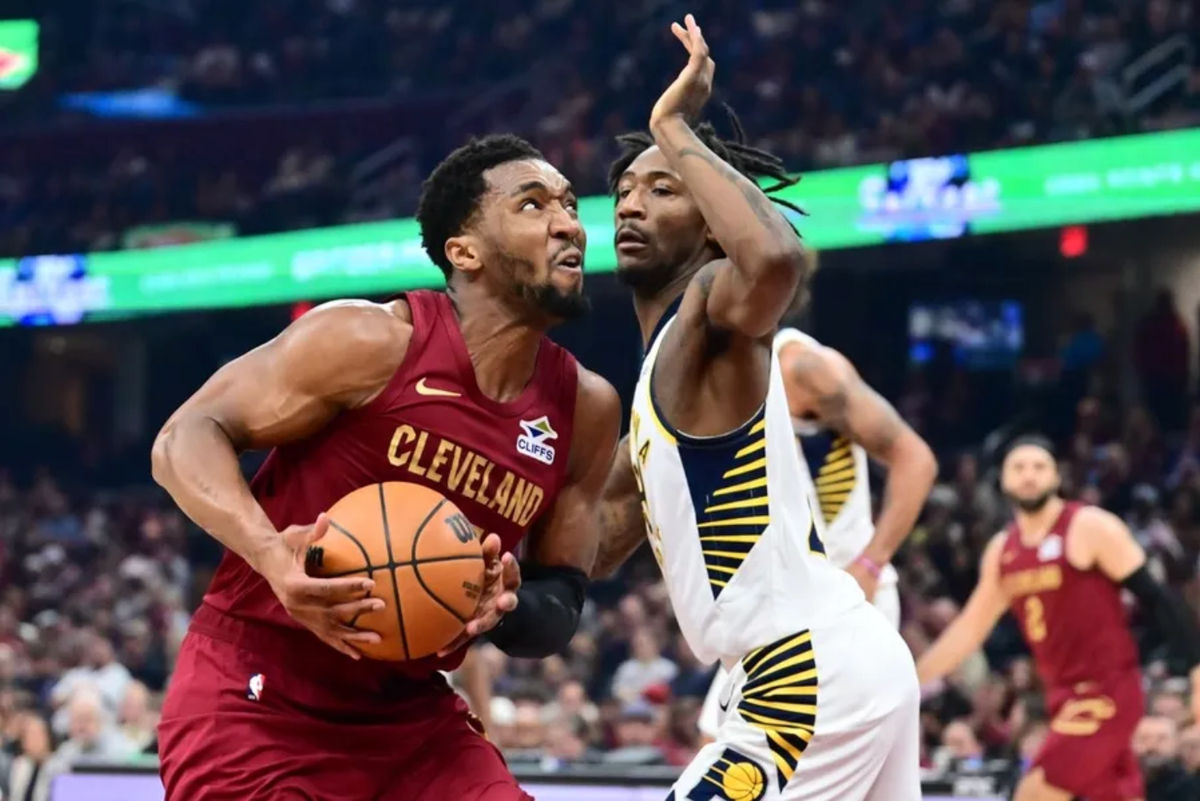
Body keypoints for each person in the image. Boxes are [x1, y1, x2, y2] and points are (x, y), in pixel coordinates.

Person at [150, 134, 621, 801]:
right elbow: (183, 438)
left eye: (571, 205)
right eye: (533, 204)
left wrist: (504, 608)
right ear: (464, 251)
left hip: (410, 719)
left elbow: (561, 600)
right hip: (257, 693)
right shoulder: (369, 341)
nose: (568, 222)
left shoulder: (587, 409)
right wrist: (272, 557)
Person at [592, 15, 920, 800]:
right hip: (824, 660)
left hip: (801, 674)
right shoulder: (652, 380)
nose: (632, 203)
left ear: (711, 222)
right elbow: (598, 548)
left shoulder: (711, 311)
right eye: (626, 189)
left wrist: (672, 127)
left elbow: (774, 257)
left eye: (663, 188)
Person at [916, 435, 1200, 801]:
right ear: (1003, 479)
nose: (1029, 476)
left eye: (1039, 467)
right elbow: (969, 630)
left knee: (1033, 795)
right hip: (1062, 696)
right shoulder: (1003, 551)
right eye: (1019, 468)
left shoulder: (1089, 526)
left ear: (1056, 477)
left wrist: (1195, 668)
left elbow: (1158, 599)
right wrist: (911, 677)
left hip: (1106, 693)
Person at [696, 325, 937, 741]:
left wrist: (870, 563)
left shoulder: (805, 369)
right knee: (718, 737)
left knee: (732, 743)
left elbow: (916, 460)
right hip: (786, 601)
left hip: (850, 596)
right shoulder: (714, 380)